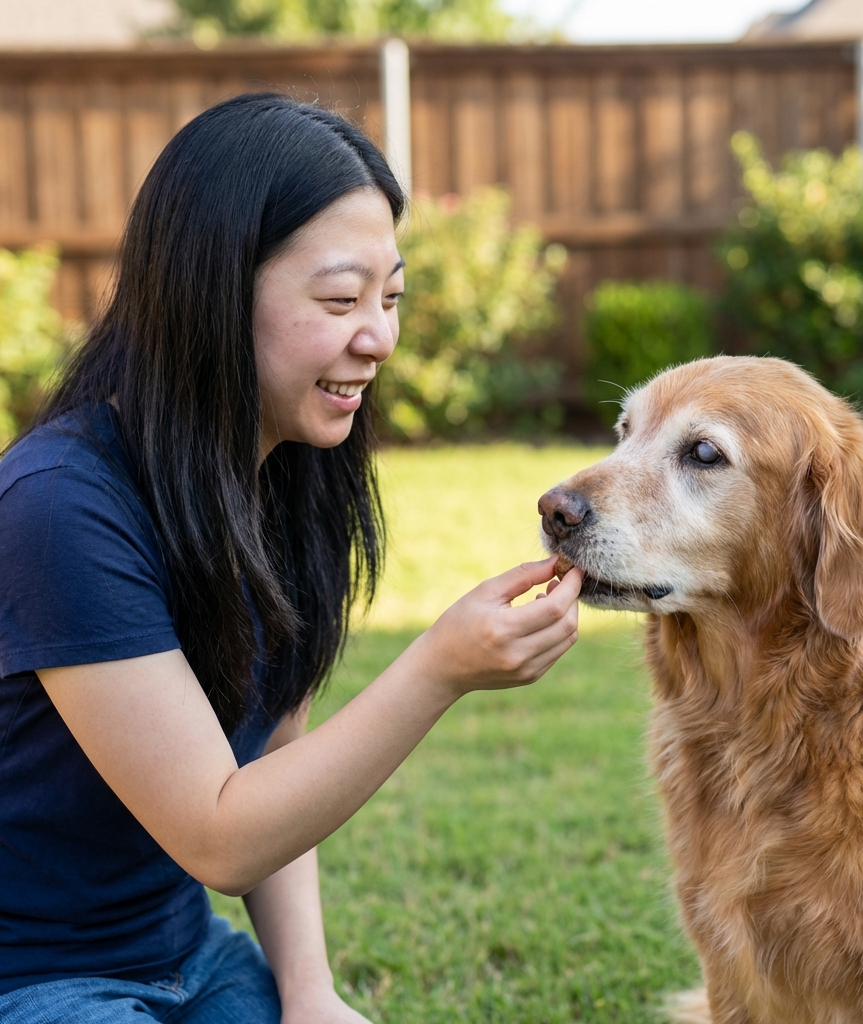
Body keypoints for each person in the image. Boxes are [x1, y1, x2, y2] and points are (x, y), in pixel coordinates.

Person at [0, 93, 582, 1024]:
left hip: (191, 957)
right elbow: (220, 837)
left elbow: (276, 748)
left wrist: (310, 994)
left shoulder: (291, 470)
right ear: (212, 291)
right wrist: (436, 670)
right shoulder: (60, 506)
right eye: (342, 299)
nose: (379, 337)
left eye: (390, 298)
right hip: (35, 979)